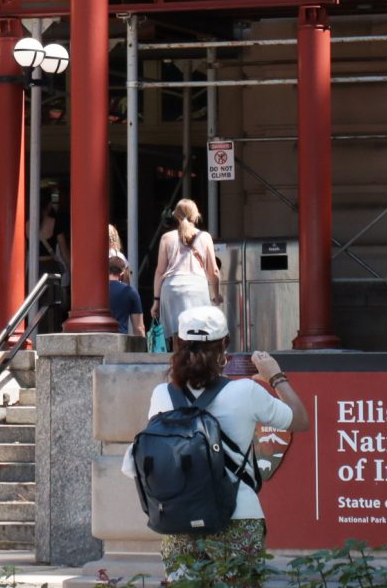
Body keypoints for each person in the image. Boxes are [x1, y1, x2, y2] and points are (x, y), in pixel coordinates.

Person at [122, 305, 305, 587]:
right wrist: (275, 376)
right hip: (238, 517)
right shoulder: (246, 391)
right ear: (225, 346)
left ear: (177, 344)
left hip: (178, 522)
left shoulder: (162, 395)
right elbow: (300, 420)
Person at [154, 199, 219, 338]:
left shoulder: (166, 238)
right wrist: (217, 295)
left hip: (171, 288)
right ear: (196, 215)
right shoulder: (205, 237)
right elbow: (213, 271)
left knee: (176, 333)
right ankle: (194, 358)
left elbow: (160, 272)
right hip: (197, 287)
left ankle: (178, 357)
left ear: (176, 216)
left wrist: (156, 301)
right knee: (198, 333)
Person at [108, 252, 146, 337]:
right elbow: (139, 327)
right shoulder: (130, 292)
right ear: (122, 272)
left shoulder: (98, 291)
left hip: (98, 339)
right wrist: (143, 348)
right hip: (120, 339)